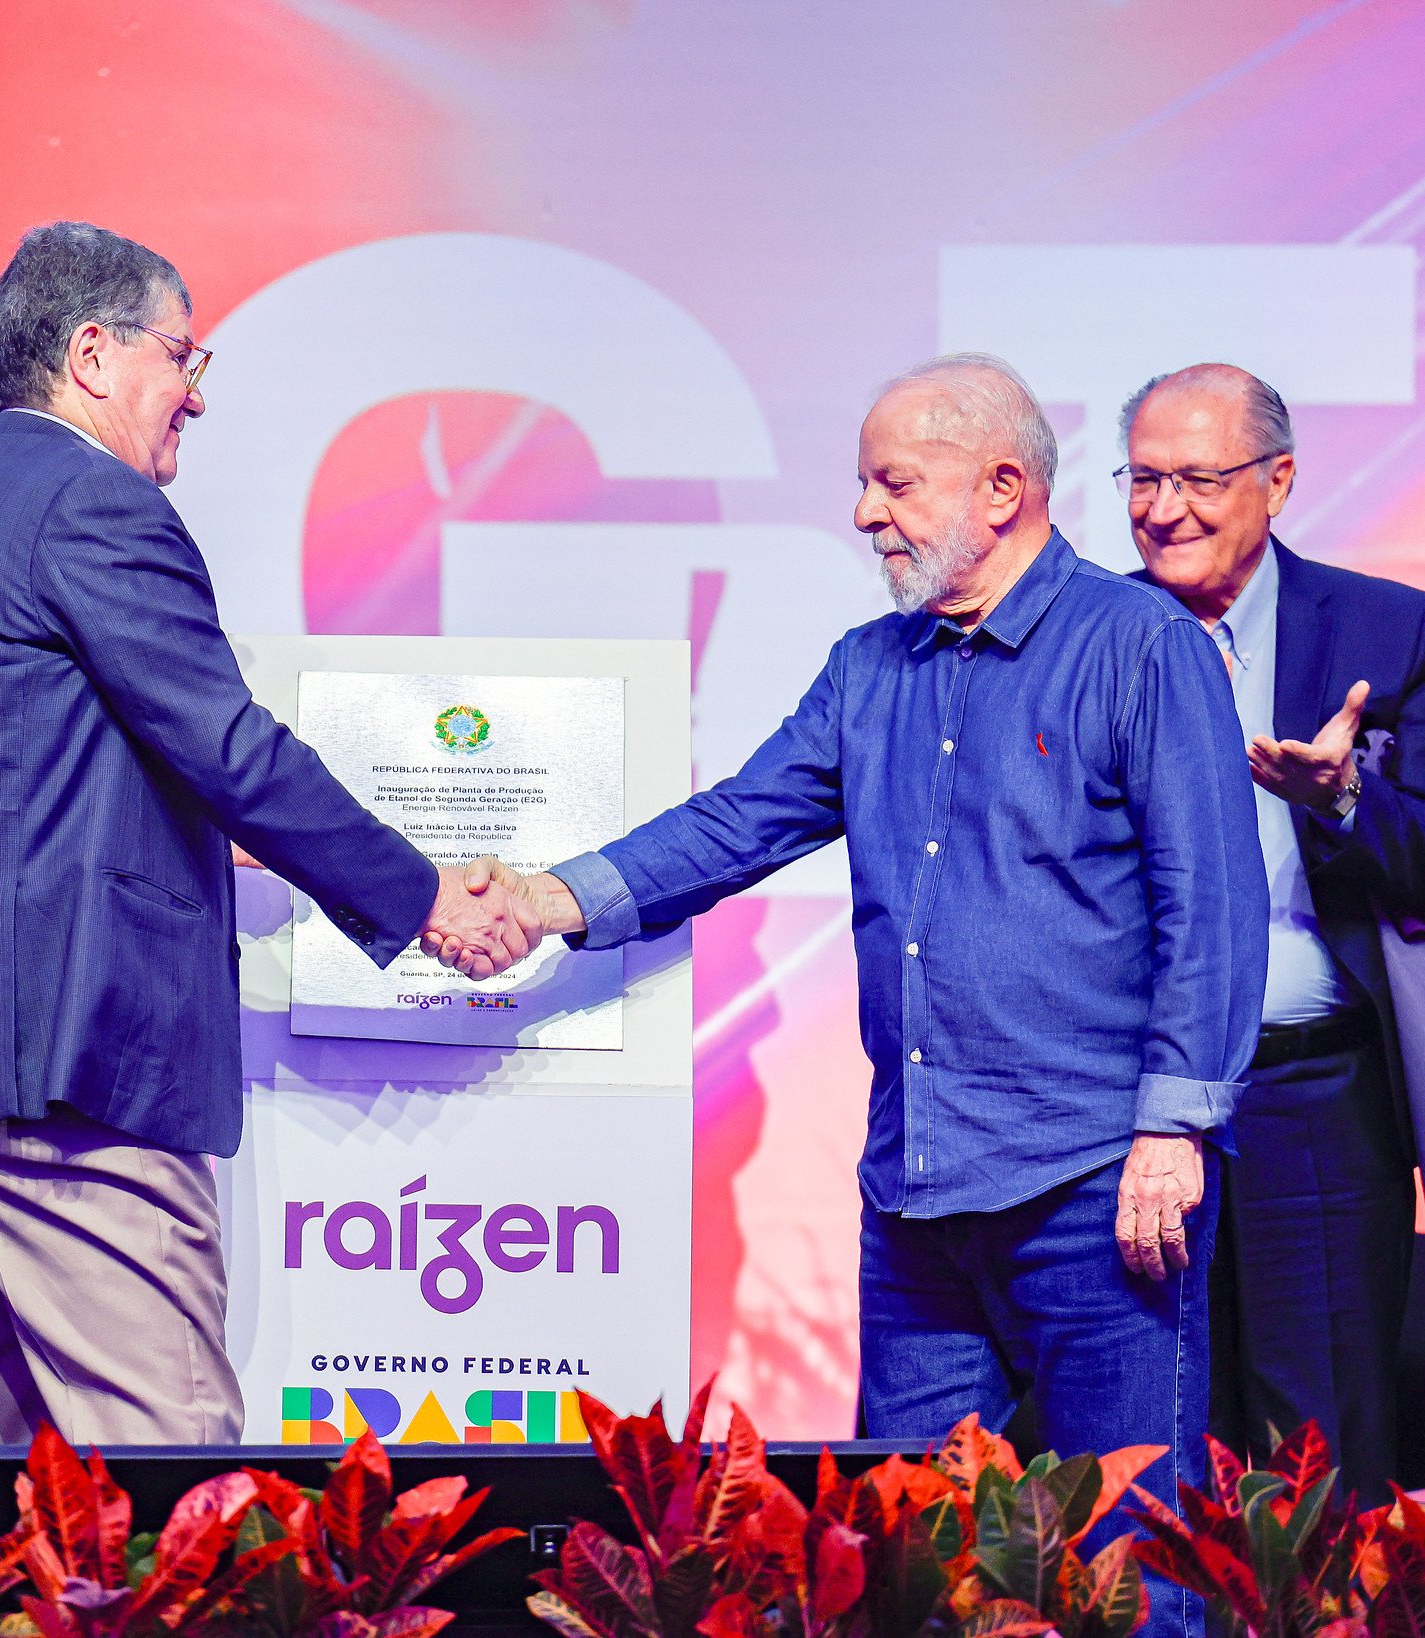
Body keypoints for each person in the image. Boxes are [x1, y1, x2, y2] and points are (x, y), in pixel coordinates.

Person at [439, 354, 1265, 1638]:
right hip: (916, 1201)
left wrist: (1173, 1127)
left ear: (1002, 489)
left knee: (1132, 1577)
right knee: (915, 1577)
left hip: (1098, 1189)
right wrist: (547, 899)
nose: (865, 513)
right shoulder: (866, 668)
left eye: (892, 483)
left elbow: (1208, 906)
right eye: (864, 486)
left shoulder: (1143, 646)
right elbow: (739, 823)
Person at [0, 221, 537, 1461]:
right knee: (169, 1488)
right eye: (182, 357)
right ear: (93, 354)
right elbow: (226, 746)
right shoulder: (90, 503)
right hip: (60, 1084)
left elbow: (45, 779)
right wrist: (424, 900)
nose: (196, 394)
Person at [1123, 363, 1425, 1494]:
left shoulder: (1388, 633)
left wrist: (1341, 799)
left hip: (1315, 1102)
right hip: (1128, 1110)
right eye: (1143, 479)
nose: (1165, 509)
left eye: (1198, 478)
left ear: (1279, 480)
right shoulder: (1086, 634)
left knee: (1320, 1461)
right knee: (1145, 1453)